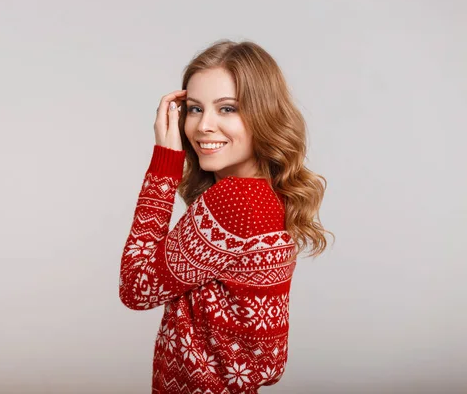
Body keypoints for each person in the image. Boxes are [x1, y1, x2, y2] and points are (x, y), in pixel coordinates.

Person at [119, 39, 332, 393]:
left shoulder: (235, 201)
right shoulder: (265, 194)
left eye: (227, 109)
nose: (203, 126)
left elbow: (136, 287)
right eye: (195, 109)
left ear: (263, 114)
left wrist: (164, 163)